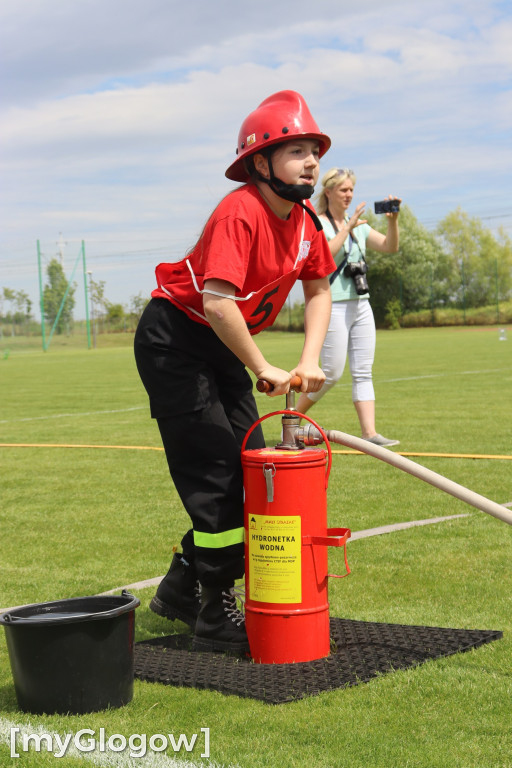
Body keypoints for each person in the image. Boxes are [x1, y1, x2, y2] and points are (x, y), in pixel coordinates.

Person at [134, 91, 336, 655]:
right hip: (176, 341)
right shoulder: (239, 212)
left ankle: (182, 584)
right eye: (297, 151)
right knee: (217, 473)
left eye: (315, 151)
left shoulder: (306, 223)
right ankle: (213, 613)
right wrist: (262, 365)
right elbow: (218, 302)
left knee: (251, 465)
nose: (312, 163)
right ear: (260, 163)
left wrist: (308, 360)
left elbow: (319, 291)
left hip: (222, 343)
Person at [295, 167, 401, 447]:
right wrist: (347, 228)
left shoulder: (360, 226)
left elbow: (390, 247)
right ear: (328, 192)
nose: (349, 194)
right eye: (343, 190)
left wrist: (393, 222)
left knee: (363, 371)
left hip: (361, 304)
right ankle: (292, 417)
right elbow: (324, 256)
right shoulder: (318, 222)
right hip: (332, 306)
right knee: (331, 373)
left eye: (351, 189)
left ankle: (370, 434)